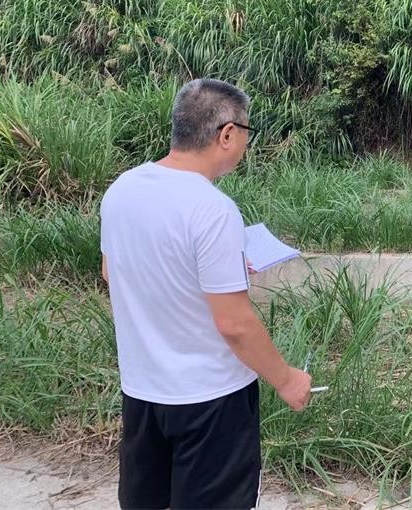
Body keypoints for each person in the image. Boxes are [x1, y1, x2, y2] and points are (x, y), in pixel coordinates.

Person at [100, 78, 312, 510]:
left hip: (142, 393)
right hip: (211, 401)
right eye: (246, 133)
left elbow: (111, 271)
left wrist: (214, 270)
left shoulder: (122, 188)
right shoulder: (213, 208)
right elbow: (234, 324)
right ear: (227, 134)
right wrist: (287, 380)